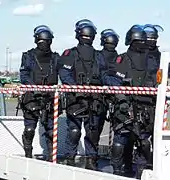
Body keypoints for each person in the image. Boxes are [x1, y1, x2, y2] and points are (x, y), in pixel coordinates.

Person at [58, 19, 109, 170]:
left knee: (93, 132)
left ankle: (91, 160)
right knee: (74, 131)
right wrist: (76, 87)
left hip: (94, 100)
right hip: (76, 99)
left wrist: (105, 88)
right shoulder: (70, 54)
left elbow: (106, 74)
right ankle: (70, 159)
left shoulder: (99, 56)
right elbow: (64, 72)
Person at [109, 24, 159, 178]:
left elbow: (159, 78)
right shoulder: (122, 59)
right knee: (121, 141)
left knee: (143, 143)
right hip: (126, 105)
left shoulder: (151, 60)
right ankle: (118, 171)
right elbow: (110, 77)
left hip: (145, 107)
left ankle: (140, 173)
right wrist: (121, 96)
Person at [19, 25, 60, 161]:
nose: (44, 43)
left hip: (50, 98)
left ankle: (50, 158)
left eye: (46, 40)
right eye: (42, 40)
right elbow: (24, 75)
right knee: (29, 129)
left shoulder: (55, 58)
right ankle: (28, 155)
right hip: (32, 98)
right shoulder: (28, 56)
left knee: (51, 131)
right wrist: (33, 87)